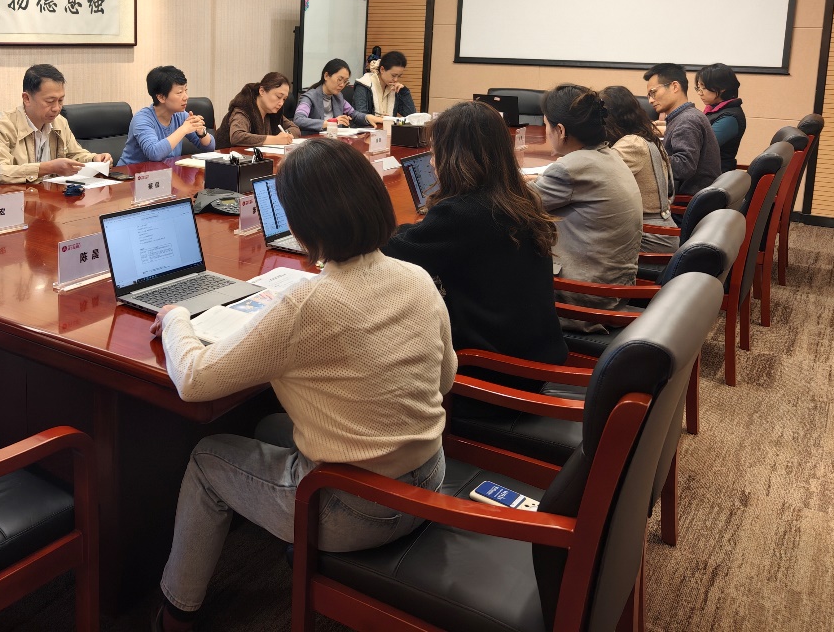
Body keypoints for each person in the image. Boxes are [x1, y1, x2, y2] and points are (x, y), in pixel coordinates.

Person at [148, 138, 455, 630]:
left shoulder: (308, 306)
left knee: (208, 458)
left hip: (355, 510)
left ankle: (174, 613)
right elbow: (445, 379)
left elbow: (195, 379)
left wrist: (177, 317)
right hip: (430, 480)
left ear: (300, 224)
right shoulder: (416, 276)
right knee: (270, 425)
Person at [383, 101, 567, 370]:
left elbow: (393, 252)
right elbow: (422, 239)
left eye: (435, 153)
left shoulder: (462, 213)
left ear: (455, 157)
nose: (432, 162)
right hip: (536, 352)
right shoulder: (517, 198)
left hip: (494, 369)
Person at [531, 84, 643, 318]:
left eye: (546, 125)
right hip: (613, 288)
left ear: (561, 130)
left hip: (582, 298)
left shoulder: (571, 168)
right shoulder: (608, 155)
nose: (547, 132)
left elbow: (515, 204)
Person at [0, 64, 111, 187]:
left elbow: (73, 155)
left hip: (46, 198)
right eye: (50, 101)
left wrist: (94, 159)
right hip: (8, 200)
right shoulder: (0, 125)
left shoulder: (59, 122)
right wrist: (48, 168)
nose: (57, 108)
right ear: (27, 99)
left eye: (60, 100)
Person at [601, 85, 679, 253]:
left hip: (652, 236)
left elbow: (595, 175)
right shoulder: (644, 136)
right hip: (656, 229)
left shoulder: (632, 144)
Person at [643, 62, 721, 195]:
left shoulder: (687, 120)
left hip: (685, 200)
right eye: (649, 95)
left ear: (674, 86)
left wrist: (646, 155)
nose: (650, 100)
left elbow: (684, 166)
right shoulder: (686, 116)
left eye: (653, 92)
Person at [118, 65, 215, 165]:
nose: (186, 97)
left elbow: (210, 148)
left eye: (185, 90)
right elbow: (154, 153)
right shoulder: (142, 119)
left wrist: (201, 133)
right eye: (179, 92)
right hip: (131, 173)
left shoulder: (181, 116)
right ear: (161, 97)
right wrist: (184, 129)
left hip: (164, 172)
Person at [293, 58, 381, 133]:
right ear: (326, 76)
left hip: (334, 141)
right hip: (315, 143)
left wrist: (368, 117)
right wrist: (330, 122)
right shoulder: (309, 97)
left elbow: (354, 114)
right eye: (339, 79)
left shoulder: (338, 97)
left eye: (345, 81)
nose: (342, 85)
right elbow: (299, 120)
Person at [216, 71, 301, 148]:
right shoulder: (243, 109)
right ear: (262, 91)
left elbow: (295, 128)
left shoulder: (272, 112)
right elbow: (237, 136)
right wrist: (275, 139)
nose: (281, 103)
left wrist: (286, 136)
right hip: (226, 156)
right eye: (278, 97)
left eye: (284, 99)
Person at [695, 63, 746, 172]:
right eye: (698, 88)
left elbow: (701, 145)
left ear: (722, 88)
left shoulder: (730, 117)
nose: (700, 93)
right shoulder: (715, 109)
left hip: (714, 174)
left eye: (703, 88)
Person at [352, 49, 416, 119]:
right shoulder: (364, 85)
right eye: (393, 75)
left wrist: (404, 92)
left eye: (399, 76)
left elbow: (411, 116)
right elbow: (361, 117)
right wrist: (378, 119)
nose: (396, 80)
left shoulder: (394, 89)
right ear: (382, 69)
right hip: (371, 126)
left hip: (387, 125)